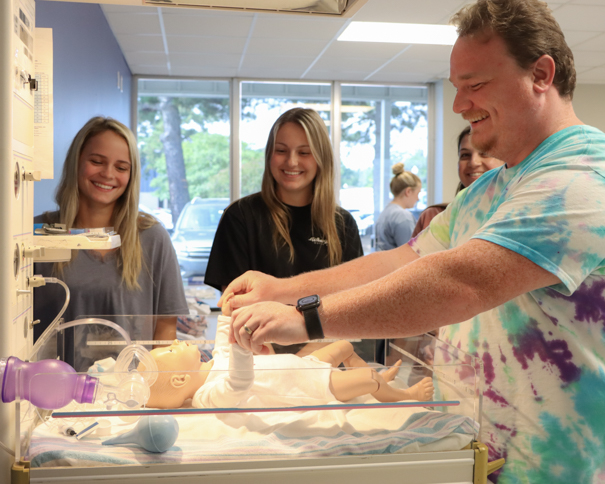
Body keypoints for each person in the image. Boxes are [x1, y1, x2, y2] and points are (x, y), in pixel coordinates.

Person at [219, 1, 605, 482]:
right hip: (473, 451)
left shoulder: (584, 179)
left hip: (549, 466)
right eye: (456, 88)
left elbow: (462, 282)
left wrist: (306, 319)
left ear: (541, 74)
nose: (459, 105)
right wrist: (279, 290)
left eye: (475, 85)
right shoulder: (493, 187)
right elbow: (404, 260)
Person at [34, 117, 188, 368]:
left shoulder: (152, 237)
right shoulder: (37, 236)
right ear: (77, 162)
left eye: (121, 167)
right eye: (97, 161)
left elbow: (165, 330)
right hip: (54, 395)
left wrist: (156, 392)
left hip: (129, 396)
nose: (107, 174)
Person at [204, 107, 363, 293]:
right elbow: (236, 302)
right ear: (269, 154)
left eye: (304, 152)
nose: (291, 161)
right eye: (281, 150)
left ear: (322, 159)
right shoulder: (241, 216)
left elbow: (354, 300)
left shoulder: (342, 224)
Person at [143, 310, 434, 410]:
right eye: (169, 350)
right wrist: (244, 348)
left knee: (342, 344)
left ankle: (379, 384)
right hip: (314, 386)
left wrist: (229, 310)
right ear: (180, 378)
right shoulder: (207, 396)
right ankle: (402, 394)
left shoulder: (214, 362)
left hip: (302, 366)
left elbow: (224, 337)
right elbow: (239, 383)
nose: (176, 341)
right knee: (367, 377)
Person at [411, 126, 504, 237]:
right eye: (465, 155)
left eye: (485, 153)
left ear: (507, 161)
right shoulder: (433, 216)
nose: (473, 162)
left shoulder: (517, 217)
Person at [375, 163, 421, 251]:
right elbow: (409, 254)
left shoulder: (386, 212)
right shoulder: (403, 217)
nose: (418, 199)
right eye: (417, 193)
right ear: (408, 191)